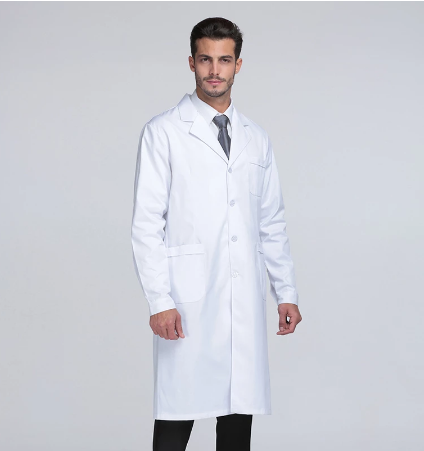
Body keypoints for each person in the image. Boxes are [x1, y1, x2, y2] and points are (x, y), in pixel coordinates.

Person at [131, 17, 302, 451]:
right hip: (187, 298)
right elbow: (147, 224)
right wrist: (159, 300)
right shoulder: (164, 132)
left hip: (242, 299)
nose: (214, 70)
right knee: (177, 417)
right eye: (205, 59)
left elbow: (271, 221)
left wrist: (285, 291)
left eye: (224, 60)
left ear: (237, 65)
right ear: (191, 62)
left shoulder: (256, 138)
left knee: (237, 419)